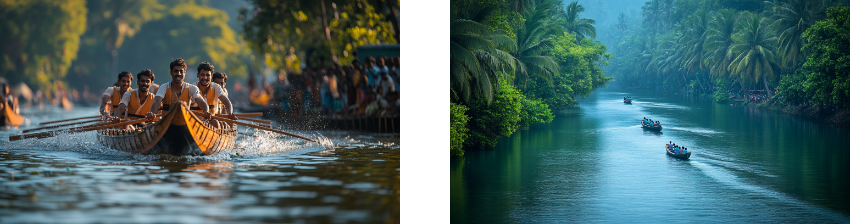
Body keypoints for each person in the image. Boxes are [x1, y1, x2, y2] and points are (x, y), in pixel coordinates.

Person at [145, 58, 211, 122]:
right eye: (176, 71)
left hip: (184, 122)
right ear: (171, 73)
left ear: (185, 73)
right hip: (167, 123)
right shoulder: (163, 87)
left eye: (181, 71)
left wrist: (206, 112)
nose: (178, 74)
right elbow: (157, 101)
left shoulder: (192, 88)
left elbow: (202, 103)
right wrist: (152, 114)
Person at [192, 62, 236, 128]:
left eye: (208, 75)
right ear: (198, 75)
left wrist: (230, 113)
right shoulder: (192, 88)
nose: (205, 77)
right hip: (194, 122)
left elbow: (226, 102)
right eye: (202, 75)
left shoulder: (216, 87)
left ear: (211, 76)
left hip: (211, 121)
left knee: (217, 123)